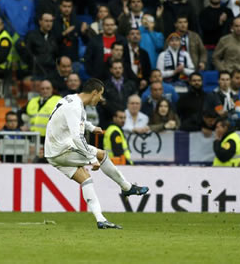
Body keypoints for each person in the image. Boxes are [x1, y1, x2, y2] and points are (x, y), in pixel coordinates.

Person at [45, 78, 149, 229]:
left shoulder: (71, 99)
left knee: (86, 180)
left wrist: (91, 128)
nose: (101, 99)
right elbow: (77, 137)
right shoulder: (75, 107)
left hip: (52, 153)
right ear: (94, 93)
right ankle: (127, 187)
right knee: (101, 155)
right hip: (62, 149)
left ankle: (101, 219)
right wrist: (92, 158)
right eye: (100, 95)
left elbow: (73, 120)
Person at [199, 0, 234, 69]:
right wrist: (219, 22)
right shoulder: (204, 12)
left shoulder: (228, 11)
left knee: (224, 76)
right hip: (209, 49)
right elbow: (206, 29)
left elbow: (232, 28)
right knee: (208, 75)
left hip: (226, 50)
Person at [99, 59, 137, 129]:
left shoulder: (130, 84)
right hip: (110, 120)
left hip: (128, 119)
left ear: (123, 69)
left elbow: (135, 101)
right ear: (111, 70)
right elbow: (103, 103)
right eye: (115, 68)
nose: (118, 70)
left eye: (120, 68)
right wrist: (116, 112)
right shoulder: (104, 85)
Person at [23, 13, 58, 80]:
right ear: (40, 22)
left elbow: (56, 55)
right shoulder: (31, 36)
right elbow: (26, 55)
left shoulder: (54, 37)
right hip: (36, 72)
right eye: (46, 21)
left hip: (51, 72)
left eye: (51, 21)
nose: (49, 24)